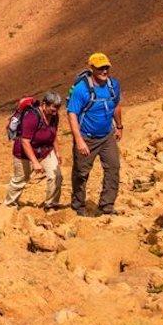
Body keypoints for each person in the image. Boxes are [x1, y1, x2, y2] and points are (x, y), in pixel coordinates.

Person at [67, 52, 123, 216]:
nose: (104, 71)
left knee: (113, 168)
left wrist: (119, 126)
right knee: (81, 173)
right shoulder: (81, 90)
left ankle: (106, 206)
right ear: (92, 68)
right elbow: (72, 114)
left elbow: (116, 105)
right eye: (100, 68)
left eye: (106, 67)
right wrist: (79, 141)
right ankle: (78, 206)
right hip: (86, 137)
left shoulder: (113, 85)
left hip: (107, 136)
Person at [5, 91, 63, 208]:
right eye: (53, 108)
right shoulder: (32, 117)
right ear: (44, 104)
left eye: (58, 108)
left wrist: (57, 151)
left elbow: (53, 134)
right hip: (23, 152)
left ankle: (51, 204)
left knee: (56, 176)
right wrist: (35, 163)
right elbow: (25, 141)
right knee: (21, 179)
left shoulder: (54, 116)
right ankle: (10, 204)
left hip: (45, 150)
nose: (55, 111)